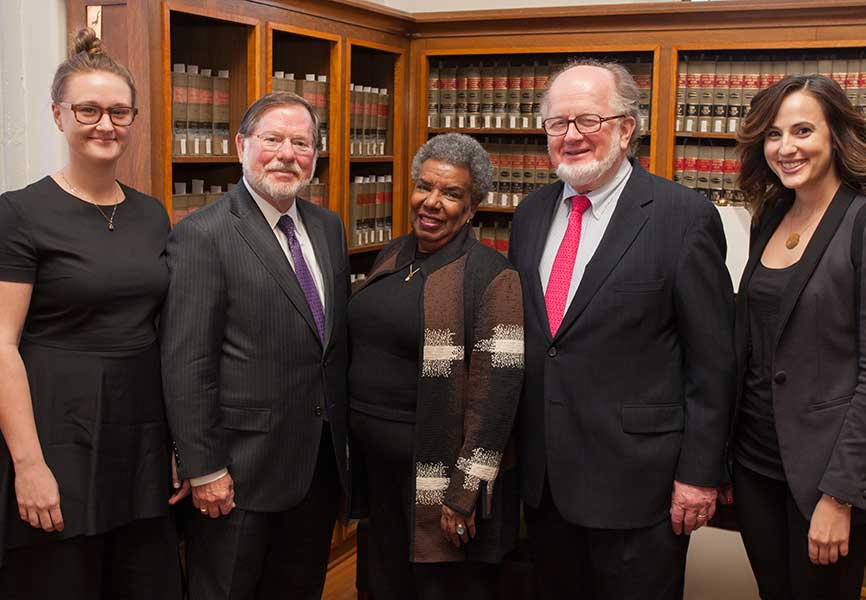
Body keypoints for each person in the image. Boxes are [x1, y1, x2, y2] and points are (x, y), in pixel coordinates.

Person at [508, 59, 735, 599]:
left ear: (627, 128)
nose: (572, 137)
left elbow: (714, 360)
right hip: (545, 481)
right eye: (557, 124)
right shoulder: (530, 214)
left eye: (588, 121)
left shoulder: (683, 216)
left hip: (640, 485)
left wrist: (699, 474)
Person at [0, 28, 182, 598]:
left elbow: (162, 332)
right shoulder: (20, 213)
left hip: (141, 434)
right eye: (88, 110)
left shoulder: (153, 214)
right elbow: (1, 343)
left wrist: (178, 445)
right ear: (59, 116)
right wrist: (28, 465)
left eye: (119, 112)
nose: (106, 125)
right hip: (58, 435)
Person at [160, 91, 349, 600]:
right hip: (238, 473)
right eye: (273, 139)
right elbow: (187, 361)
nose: (287, 154)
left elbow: (327, 345)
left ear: (315, 154)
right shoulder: (203, 234)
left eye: (301, 143)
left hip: (316, 465)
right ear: (242, 145)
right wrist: (205, 467)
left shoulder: (328, 227)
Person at [730, 73, 866, 600]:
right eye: (774, 134)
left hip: (825, 478)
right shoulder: (771, 215)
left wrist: (839, 497)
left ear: (835, 136)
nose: (786, 147)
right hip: (756, 464)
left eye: (802, 131)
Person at [348, 133, 524, 600]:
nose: (432, 202)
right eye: (424, 187)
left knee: (438, 588)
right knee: (382, 586)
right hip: (378, 473)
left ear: (472, 209)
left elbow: (497, 398)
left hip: (436, 479)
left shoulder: (492, 276)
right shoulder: (393, 253)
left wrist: (464, 493)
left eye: (451, 194)